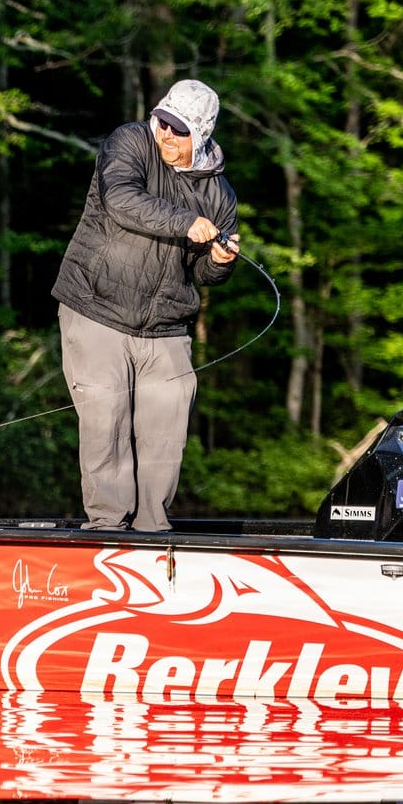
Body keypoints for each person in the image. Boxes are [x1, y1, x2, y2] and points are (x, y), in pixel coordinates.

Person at [53, 78, 238, 532]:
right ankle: (106, 529)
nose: (166, 135)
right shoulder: (131, 141)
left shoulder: (221, 196)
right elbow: (120, 200)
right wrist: (185, 222)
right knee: (105, 423)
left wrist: (219, 262)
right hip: (95, 307)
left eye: (179, 130)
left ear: (202, 135)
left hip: (166, 326)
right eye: (163, 123)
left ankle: (153, 533)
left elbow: (203, 274)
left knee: (165, 434)